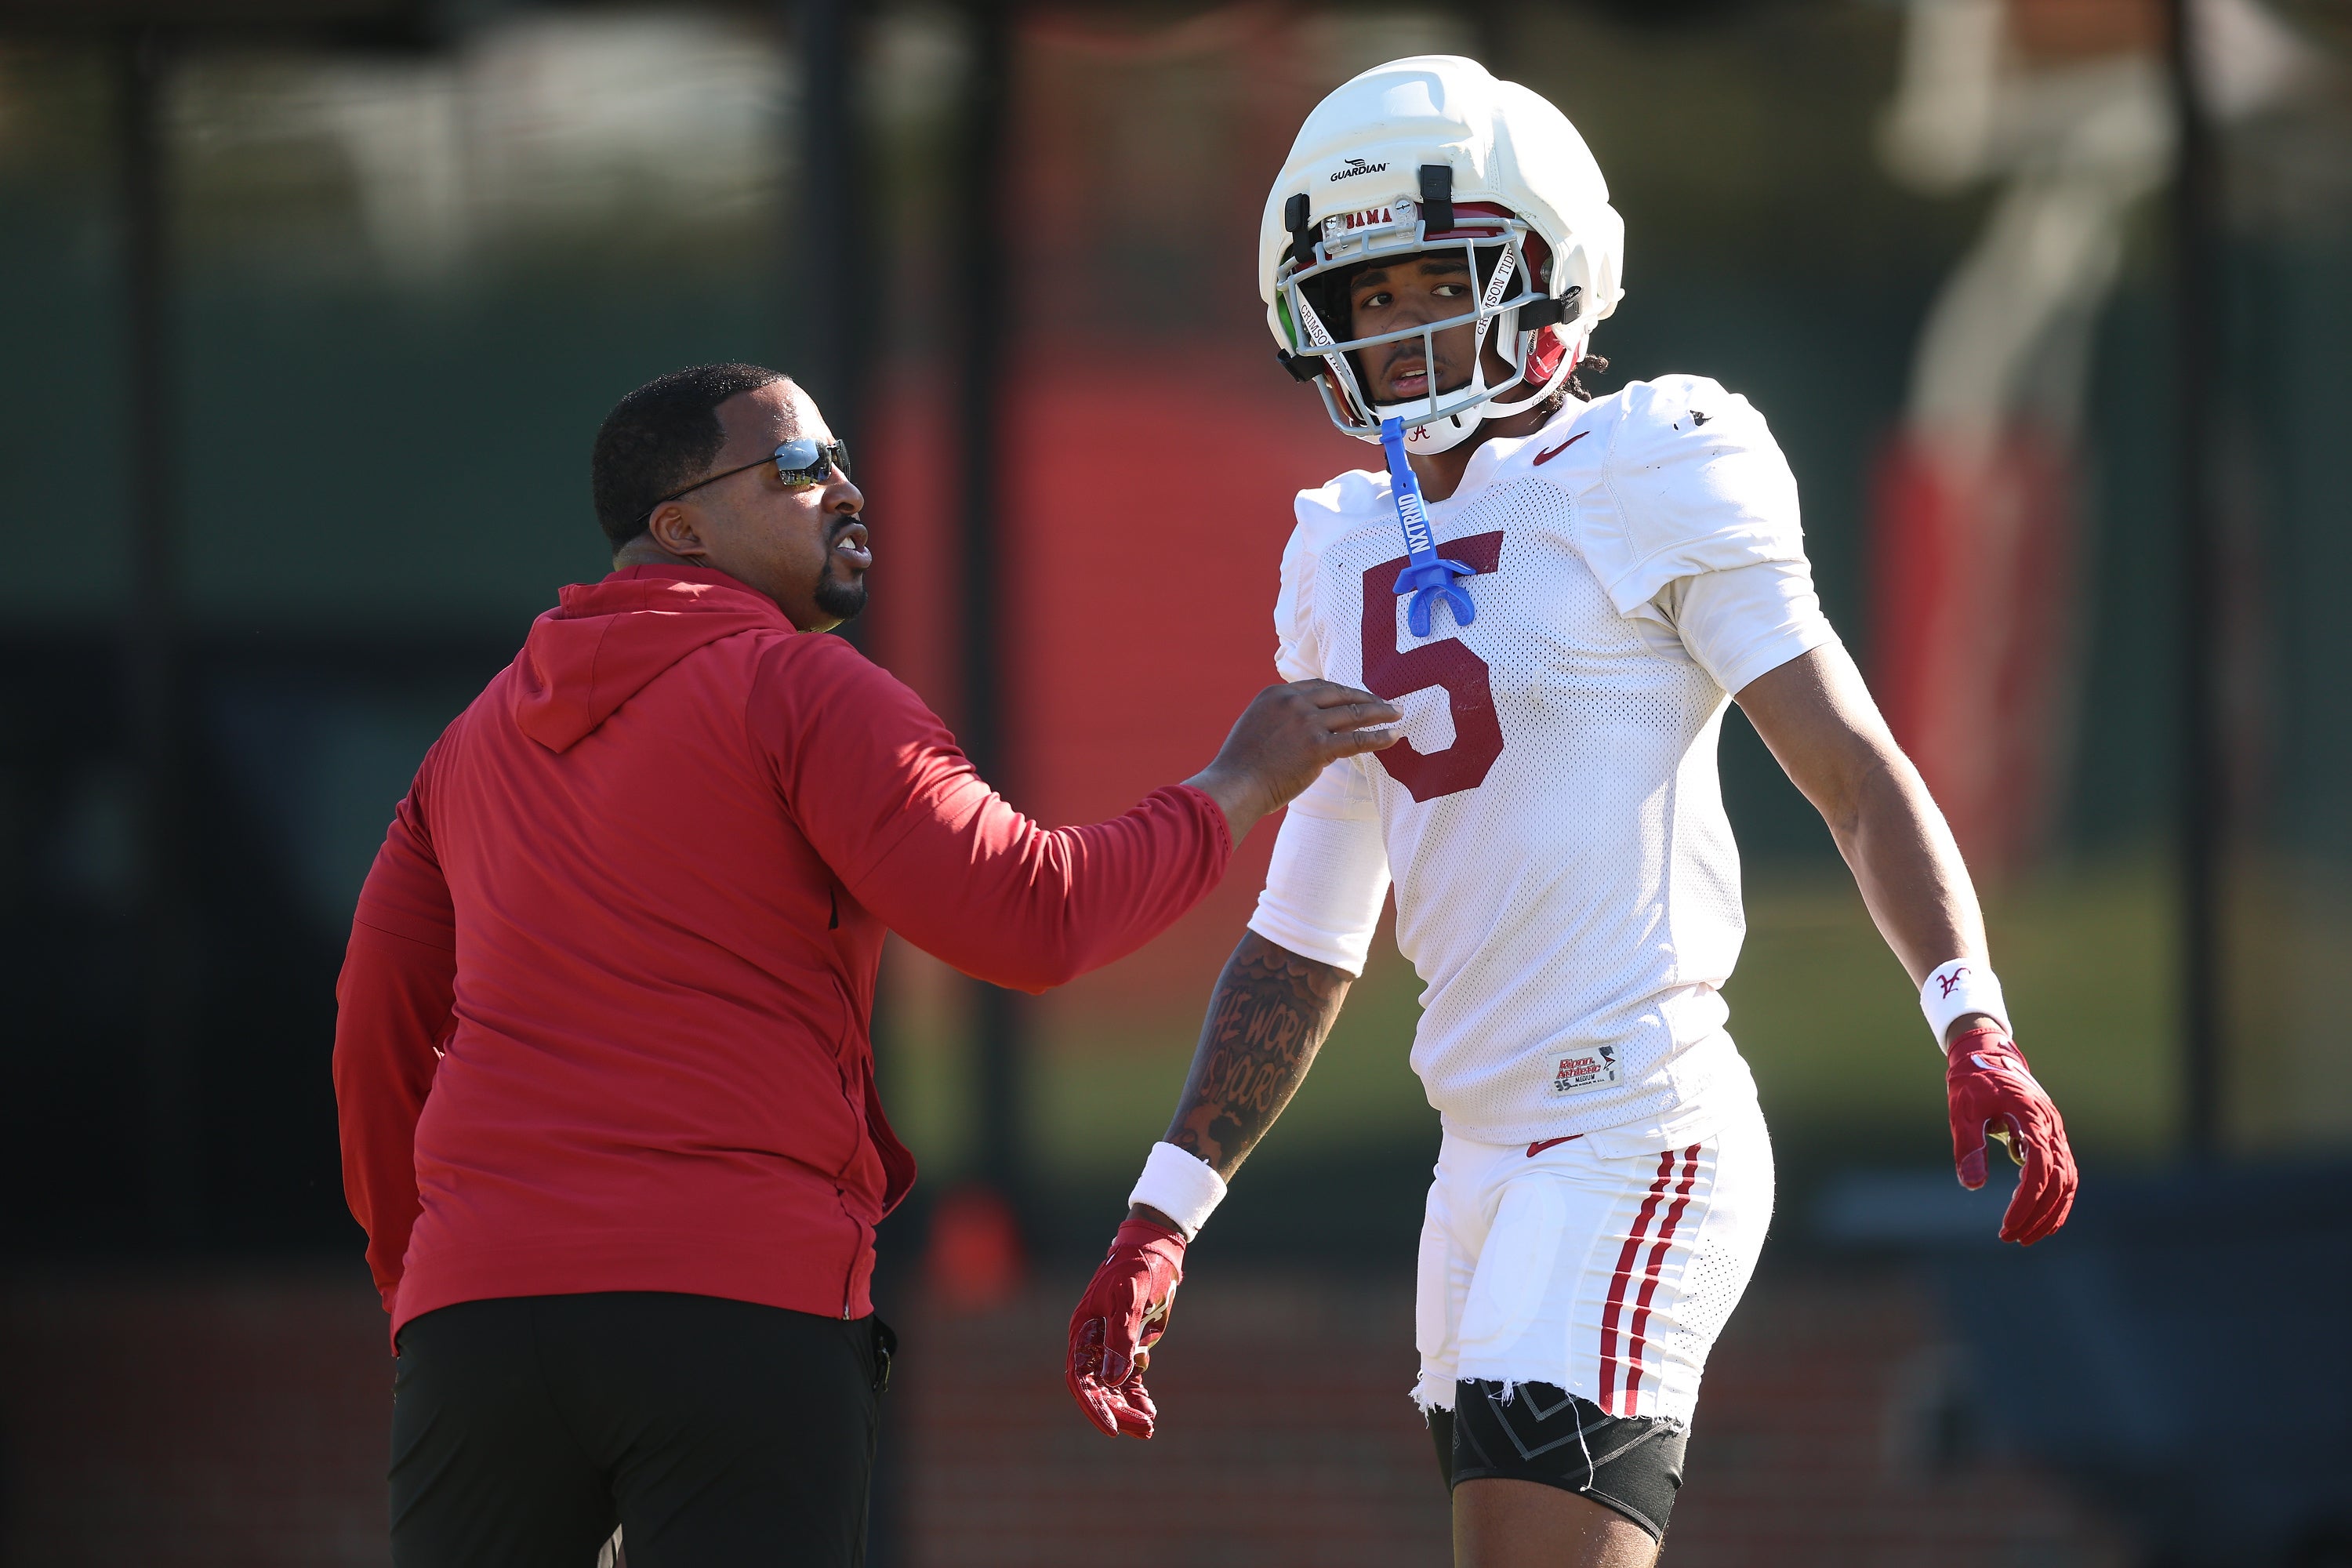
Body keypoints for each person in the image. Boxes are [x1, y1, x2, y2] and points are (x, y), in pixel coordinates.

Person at [1063, 57, 2079, 1568]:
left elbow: (1851, 769)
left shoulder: (1650, 459)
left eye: (1430, 284)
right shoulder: (1339, 547)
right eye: (1363, 301)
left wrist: (1970, 1014)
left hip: (1633, 1120)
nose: (1396, 334)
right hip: (1471, 1154)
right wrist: (1165, 1211)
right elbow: (1309, 923)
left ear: (1547, 270)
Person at [332, 361, 1399, 1568]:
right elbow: (1031, 917)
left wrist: (421, 1290)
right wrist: (1239, 783)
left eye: (841, 459)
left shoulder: (466, 746)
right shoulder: (801, 687)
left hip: (479, 1325)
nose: (846, 489)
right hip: (735, 1309)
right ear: (679, 528)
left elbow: (376, 1026)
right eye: (797, 469)